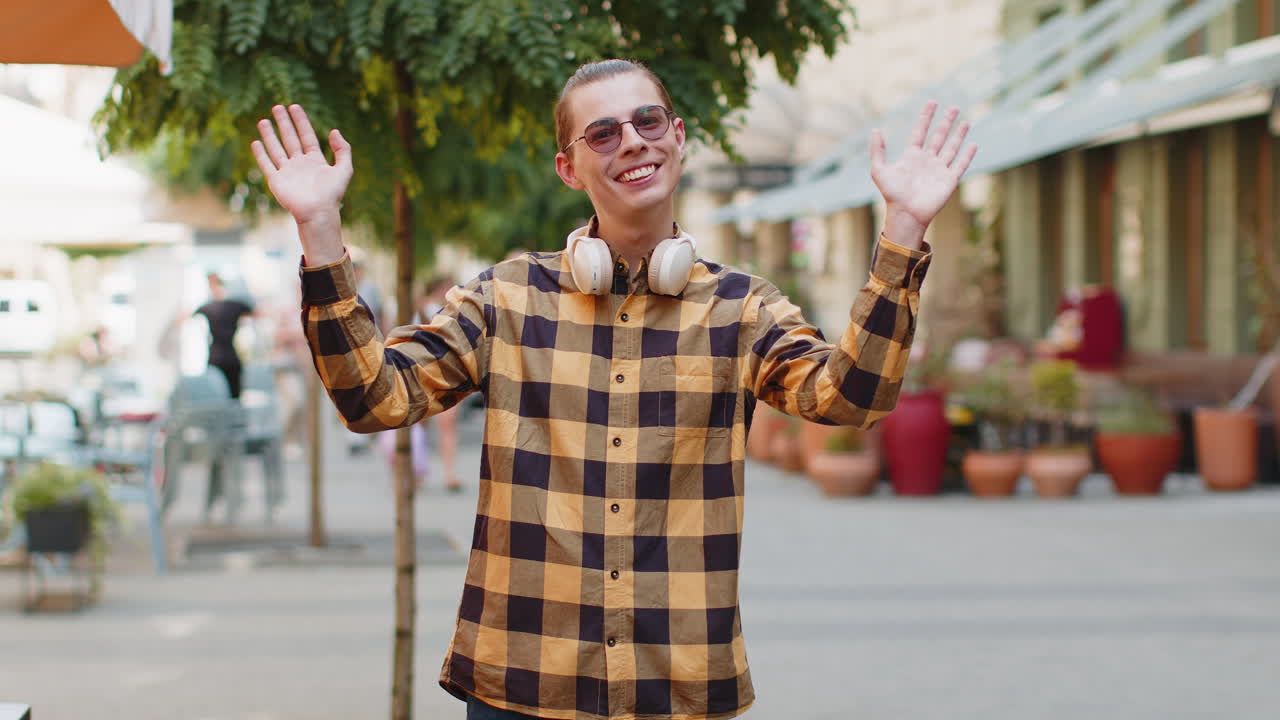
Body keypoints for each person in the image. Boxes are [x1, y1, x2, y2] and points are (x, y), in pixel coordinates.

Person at [251, 59, 975, 720]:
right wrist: (319, 231)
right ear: (569, 168)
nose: (631, 141)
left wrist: (905, 229)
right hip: (520, 686)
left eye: (647, 121)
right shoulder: (507, 298)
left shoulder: (742, 308)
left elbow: (851, 399)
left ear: (679, 137)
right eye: (603, 133)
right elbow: (374, 396)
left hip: (679, 690)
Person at [193, 272, 254, 399]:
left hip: (220, 357)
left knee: (219, 396)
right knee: (230, 396)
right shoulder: (235, 305)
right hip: (225, 357)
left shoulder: (209, 307)